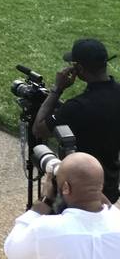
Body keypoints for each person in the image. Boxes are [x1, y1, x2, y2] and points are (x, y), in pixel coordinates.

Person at [33, 39, 120, 203]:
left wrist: (57, 89)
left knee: (48, 214)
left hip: (77, 191)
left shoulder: (77, 107)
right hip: (109, 186)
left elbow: (39, 129)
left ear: (79, 68)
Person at [3, 153, 120, 258]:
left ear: (65, 188)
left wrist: (45, 200)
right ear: (101, 186)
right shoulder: (116, 219)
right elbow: (108, 206)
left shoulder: (45, 229)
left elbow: (12, 249)